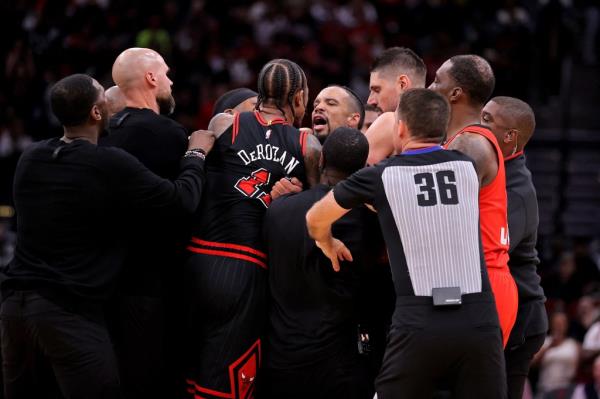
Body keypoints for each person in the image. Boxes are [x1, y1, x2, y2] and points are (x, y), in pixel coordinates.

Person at [0, 73, 214, 399]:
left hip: (14, 309)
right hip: (65, 310)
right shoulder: (108, 163)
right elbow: (181, 200)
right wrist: (196, 154)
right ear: (96, 113)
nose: (112, 100)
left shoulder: (32, 157)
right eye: (104, 96)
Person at [306, 88, 506, 399]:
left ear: (400, 128)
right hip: (479, 319)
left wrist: (326, 241)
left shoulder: (381, 178)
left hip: (419, 320)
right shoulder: (468, 168)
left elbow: (315, 218)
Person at [183, 58, 321, 399]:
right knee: (225, 384)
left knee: (186, 371)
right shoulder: (308, 146)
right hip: (246, 269)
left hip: (197, 259)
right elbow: (313, 215)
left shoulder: (224, 123)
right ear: (300, 98)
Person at [100, 47, 194, 399]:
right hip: (152, 284)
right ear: (151, 78)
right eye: (166, 73)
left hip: (102, 281)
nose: (170, 80)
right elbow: (183, 205)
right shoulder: (166, 134)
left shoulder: (101, 136)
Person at [258, 127, 371, 399]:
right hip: (338, 365)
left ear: (321, 161)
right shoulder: (368, 219)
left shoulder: (278, 209)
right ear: (364, 169)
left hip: (281, 358)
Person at [429, 54, 517, 348]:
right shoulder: (460, 141)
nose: (430, 87)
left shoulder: (469, 144)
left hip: (479, 282)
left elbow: (443, 221)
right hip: (475, 280)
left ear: (455, 93)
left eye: (437, 80)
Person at [481, 96, 548, 398]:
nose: (476, 127)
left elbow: (492, 249)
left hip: (520, 315)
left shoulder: (517, 191)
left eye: (486, 120)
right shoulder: (493, 169)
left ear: (510, 137)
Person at [364, 47, 427, 165]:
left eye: (377, 90)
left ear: (402, 84)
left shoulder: (390, 121)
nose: (370, 101)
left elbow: (347, 177)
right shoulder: (442, 128)